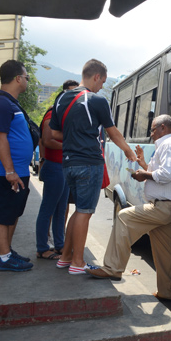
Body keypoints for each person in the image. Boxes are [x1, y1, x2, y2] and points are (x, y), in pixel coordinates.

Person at [50, 59, 136, 275]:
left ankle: (66, 257)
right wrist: (128, 150)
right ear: (96, 76)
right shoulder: (96, 100)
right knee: (85, 212)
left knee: (78, 211)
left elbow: (54, 133)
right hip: (89, 162)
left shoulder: (61, 100)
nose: (101, 86)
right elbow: (112, 131)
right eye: (102, 81)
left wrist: (74, 137)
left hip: (68, 163)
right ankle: (78, 262)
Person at [86, 114, 171, 301]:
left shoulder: (169, 144)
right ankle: (166, 292)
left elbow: (166, 175)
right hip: (167, 206)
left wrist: (143, 175)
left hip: (164, 207)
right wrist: (143, 164)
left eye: (153, 129)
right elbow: (159, 172)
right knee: (164, 251)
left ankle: (112, 268)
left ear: (163, 128)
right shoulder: (166, 145)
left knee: (123, 217)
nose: (151, 133)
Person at [0, 60, 33, 272]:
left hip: (17, 171)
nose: (27, 81)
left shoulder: (10, 103)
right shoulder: (1, 104)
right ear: (18, 78)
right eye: (27, 77)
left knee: (12, 212)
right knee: (1, 213)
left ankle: (6, 252)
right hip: (3, 172)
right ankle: (4, 258)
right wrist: (10, 171)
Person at [35, 80, 79, 260]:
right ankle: (42, 247)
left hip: (63, 167)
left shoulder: (64, 116)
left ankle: (60, 245)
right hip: (54, 167)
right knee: (48, 209)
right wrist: (70, 145)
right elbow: (46, 140)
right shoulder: (52, 114)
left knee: (61, 209)